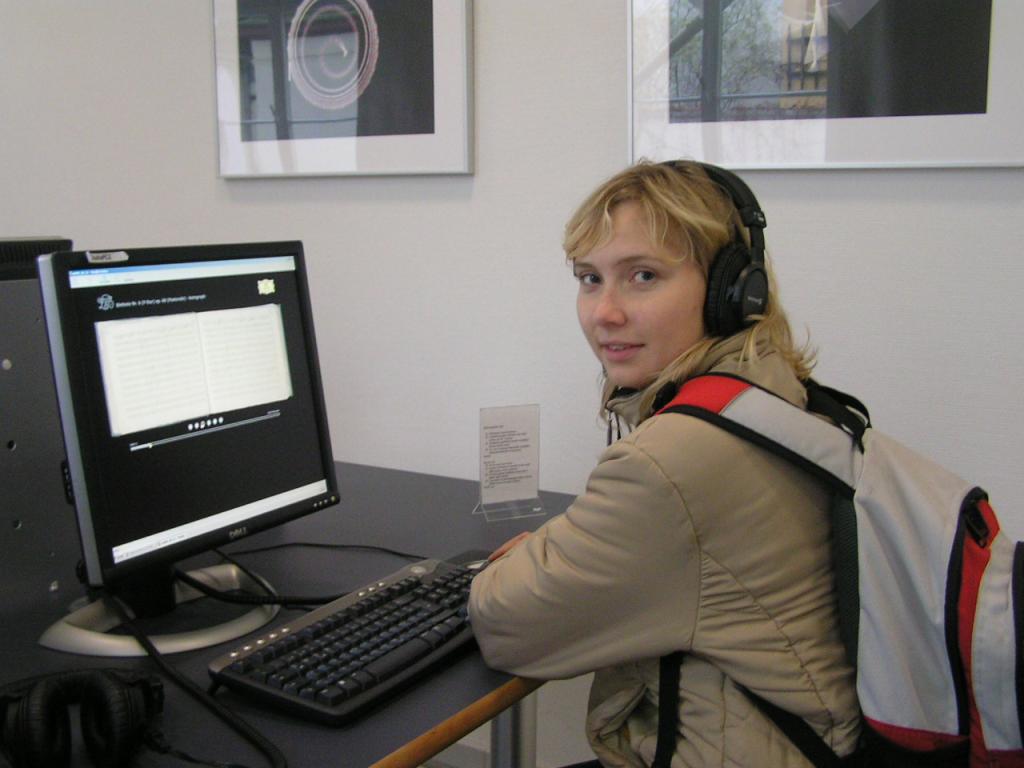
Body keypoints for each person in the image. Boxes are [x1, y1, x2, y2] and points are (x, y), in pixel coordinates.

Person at [467, 160, 861, 767]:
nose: (604, 312)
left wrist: (518, 562)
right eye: (590, 278)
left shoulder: (673, 459)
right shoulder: (778, 392)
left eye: (643, 276)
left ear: (734, 291)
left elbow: (506, 625)